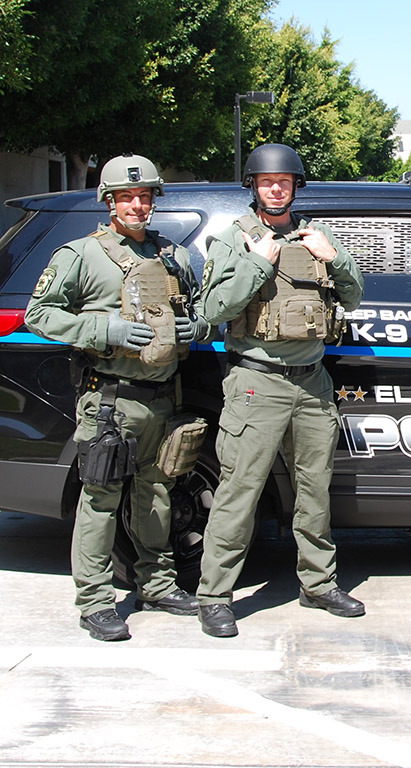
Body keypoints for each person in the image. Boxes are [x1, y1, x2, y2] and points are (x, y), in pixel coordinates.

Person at [25, 153, 208, 641]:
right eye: (126, 197)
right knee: (101, 501)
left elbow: (199, 309)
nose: (137, 205)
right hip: (110, 400)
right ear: (109, 202)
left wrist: (197, 327)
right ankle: (95, 602)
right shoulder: (80, 256)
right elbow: (39, 314)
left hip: (162, 399)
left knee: (157, 495)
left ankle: (158, 585)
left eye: (144, 196)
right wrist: (104, 329)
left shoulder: (172, 255)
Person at [196, 143, 365, 638]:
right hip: (257, 382)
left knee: (315, 490)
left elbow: (354, 297)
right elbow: (212, 310)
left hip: (312, 382)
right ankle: (214, 596)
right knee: (240, 491)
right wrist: (257, 265)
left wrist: (334, 258)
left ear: (295, 187)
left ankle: (319, 583)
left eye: (284, 182)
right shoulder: (234, 239)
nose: (275, 189)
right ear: (253, 186)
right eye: (267, 182)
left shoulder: (317, 236)